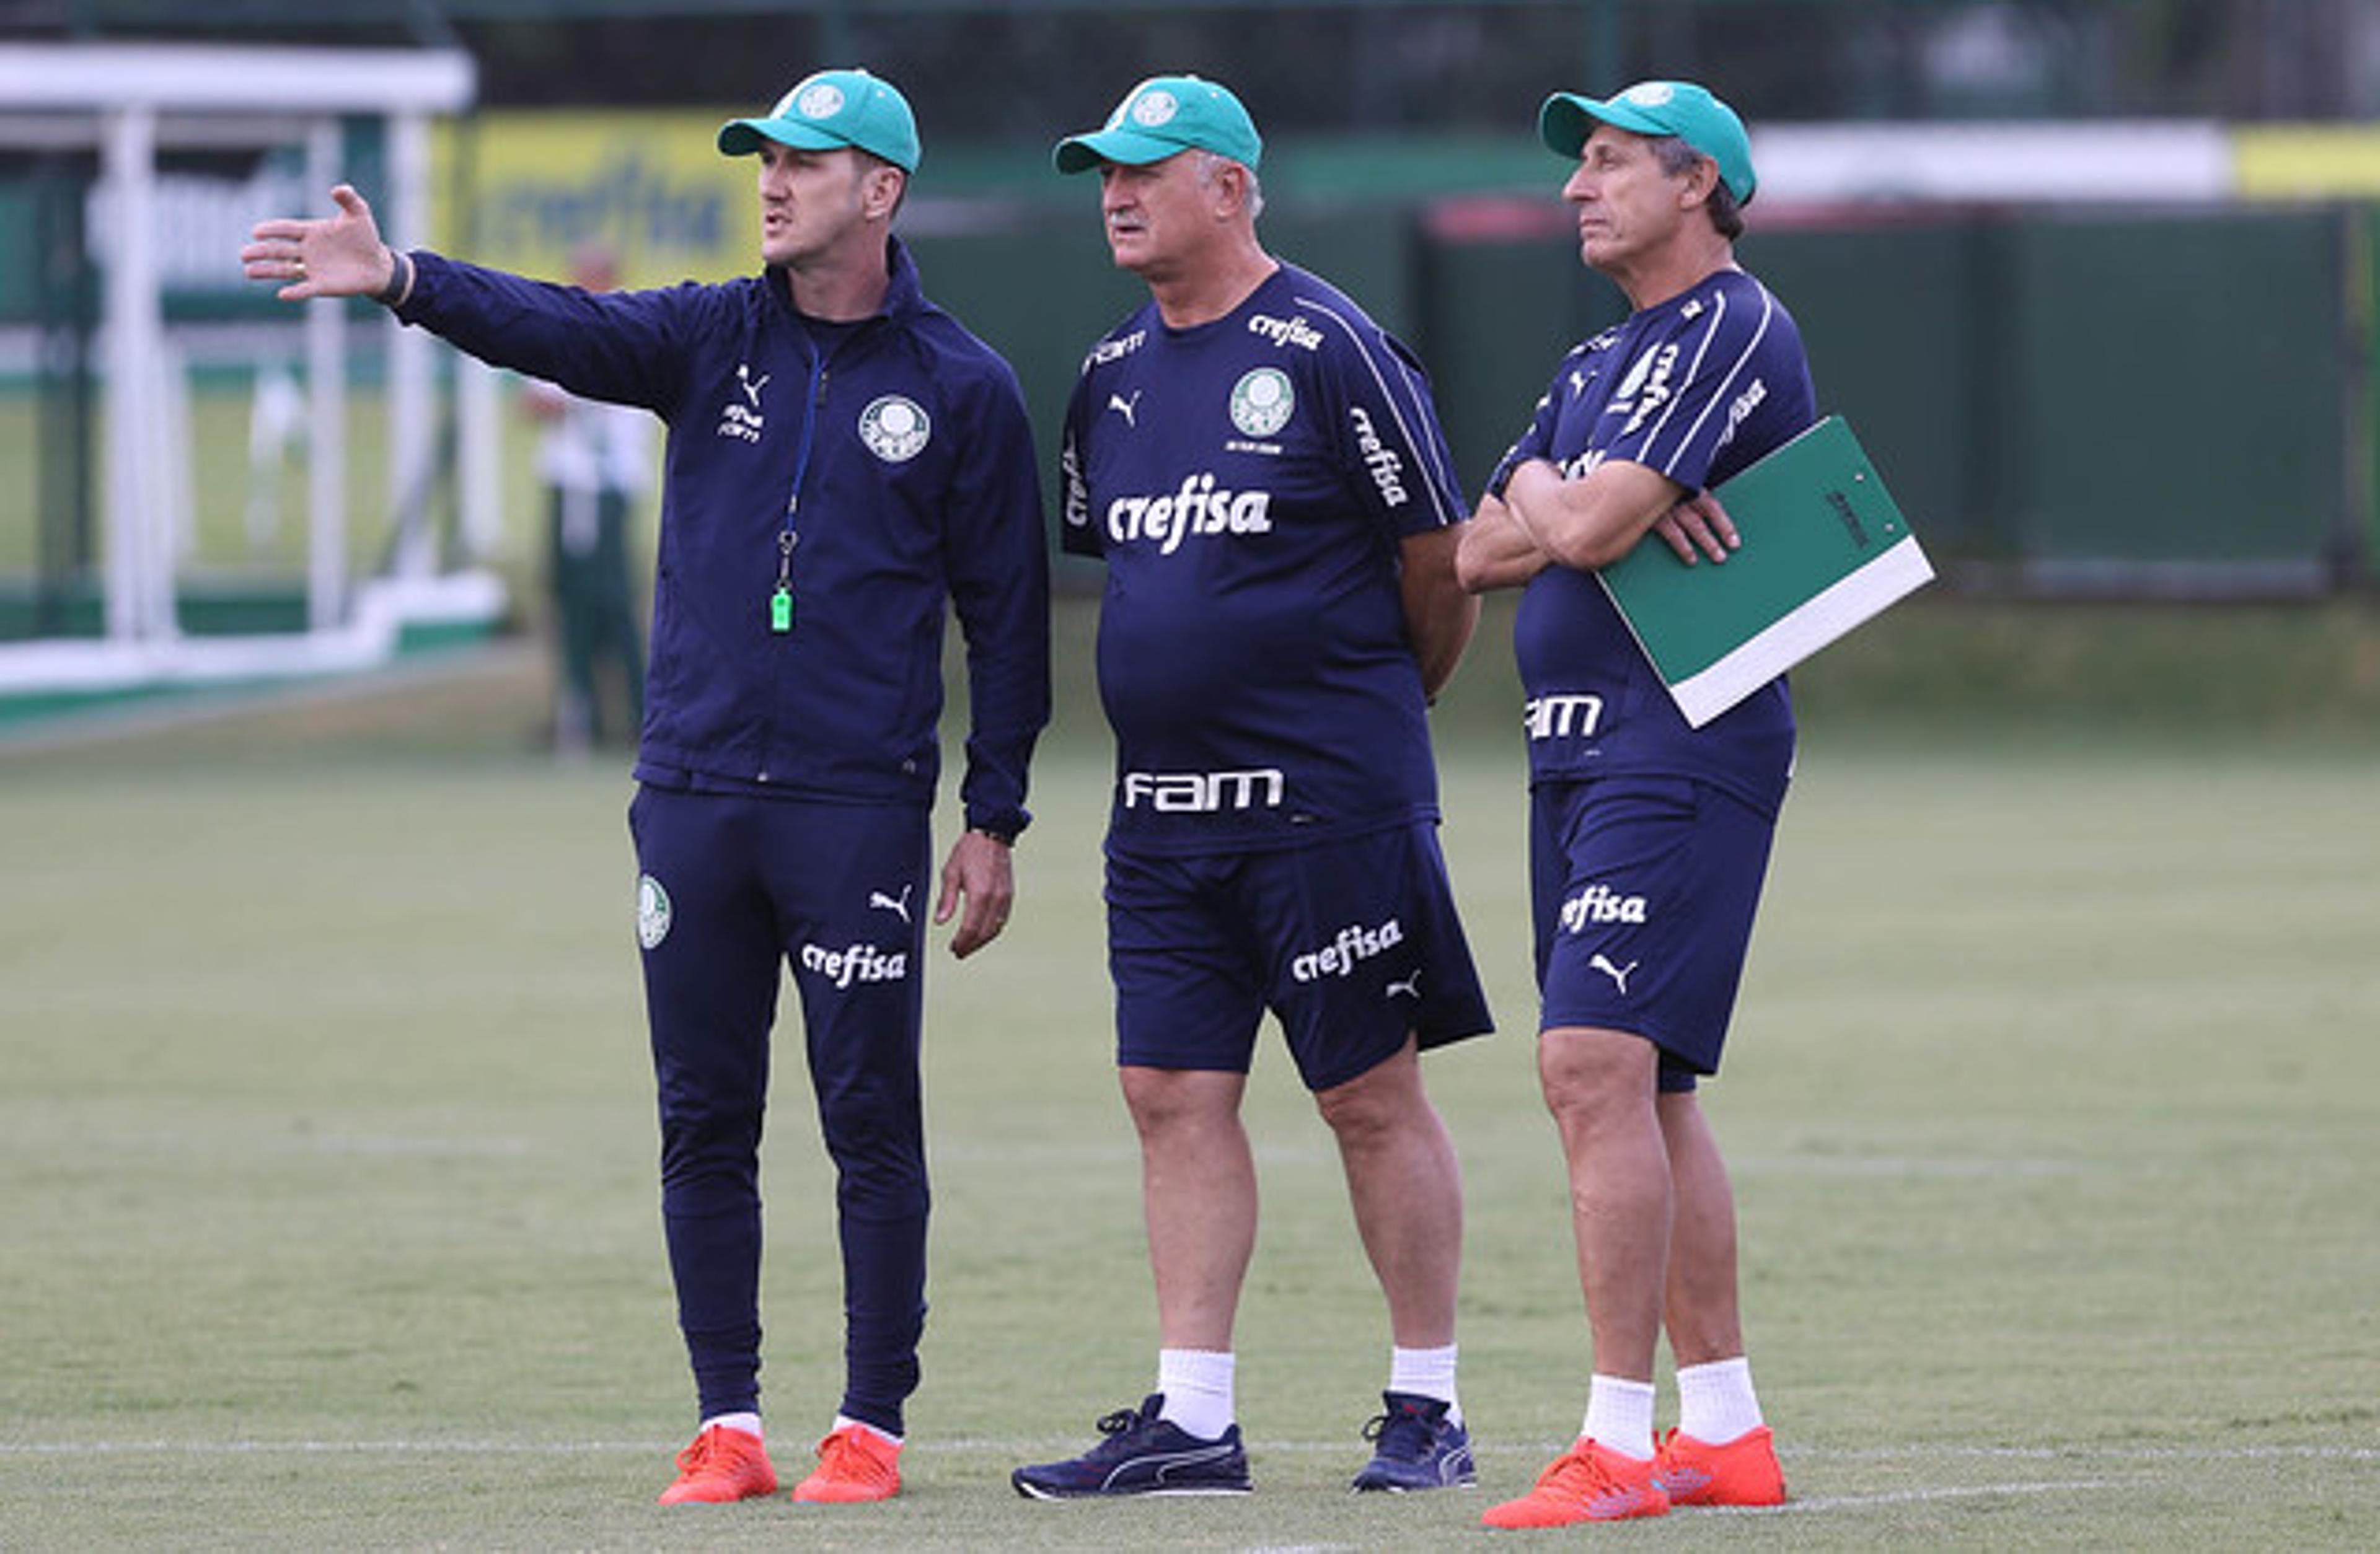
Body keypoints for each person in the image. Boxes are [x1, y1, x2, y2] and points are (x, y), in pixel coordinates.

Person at [242, 68, 1051, 1509]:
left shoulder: (963, 387)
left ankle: (868, 1426)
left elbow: (1007, 620)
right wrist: (404, 280)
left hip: (855, 807)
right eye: (765, 159)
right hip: (691, 796)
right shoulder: (707, 337)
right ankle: (726, 1422)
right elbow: (556, 322)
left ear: (880, 190)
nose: (772, 180)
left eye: (805, 161)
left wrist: (992, 817)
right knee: (702, 1116)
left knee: (869, 1117)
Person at [1010, 75, 1492, 1501]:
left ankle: (1425, 1406)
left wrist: (1362, 722)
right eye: (1103, 170)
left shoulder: (1331, 345)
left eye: (1145, 170)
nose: (1114, 192)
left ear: (1226, 186)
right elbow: (1134, 583)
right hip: (1158, 817)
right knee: (1165, 1090)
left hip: (1326, 805)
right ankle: (1192, 1415)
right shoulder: (1107, 377)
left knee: (1365, 1094)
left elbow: (1438, 567)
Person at [1452, 81, 1809, 1527]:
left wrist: (1560, 491)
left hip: (1681, 741)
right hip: (1574, 750)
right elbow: (1479, 553)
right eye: (1578, 164)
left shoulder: (1732, 320)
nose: (1574, 188)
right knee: (1646, 1087)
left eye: (1607, 163)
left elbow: (1576, 524)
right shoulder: (1594, 360)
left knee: (1589, 1066)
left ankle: (1613, 1444)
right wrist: (1561, 488)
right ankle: (1721, 1431)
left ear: (1696, 185)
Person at [519, 244, 650, 756]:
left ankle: (641, 715)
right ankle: (580, 712)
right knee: (569, 599)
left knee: (614, 601)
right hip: (568, 481)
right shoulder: (563, 328)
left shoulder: (633, 327)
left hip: (611, 485)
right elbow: (534, 402)